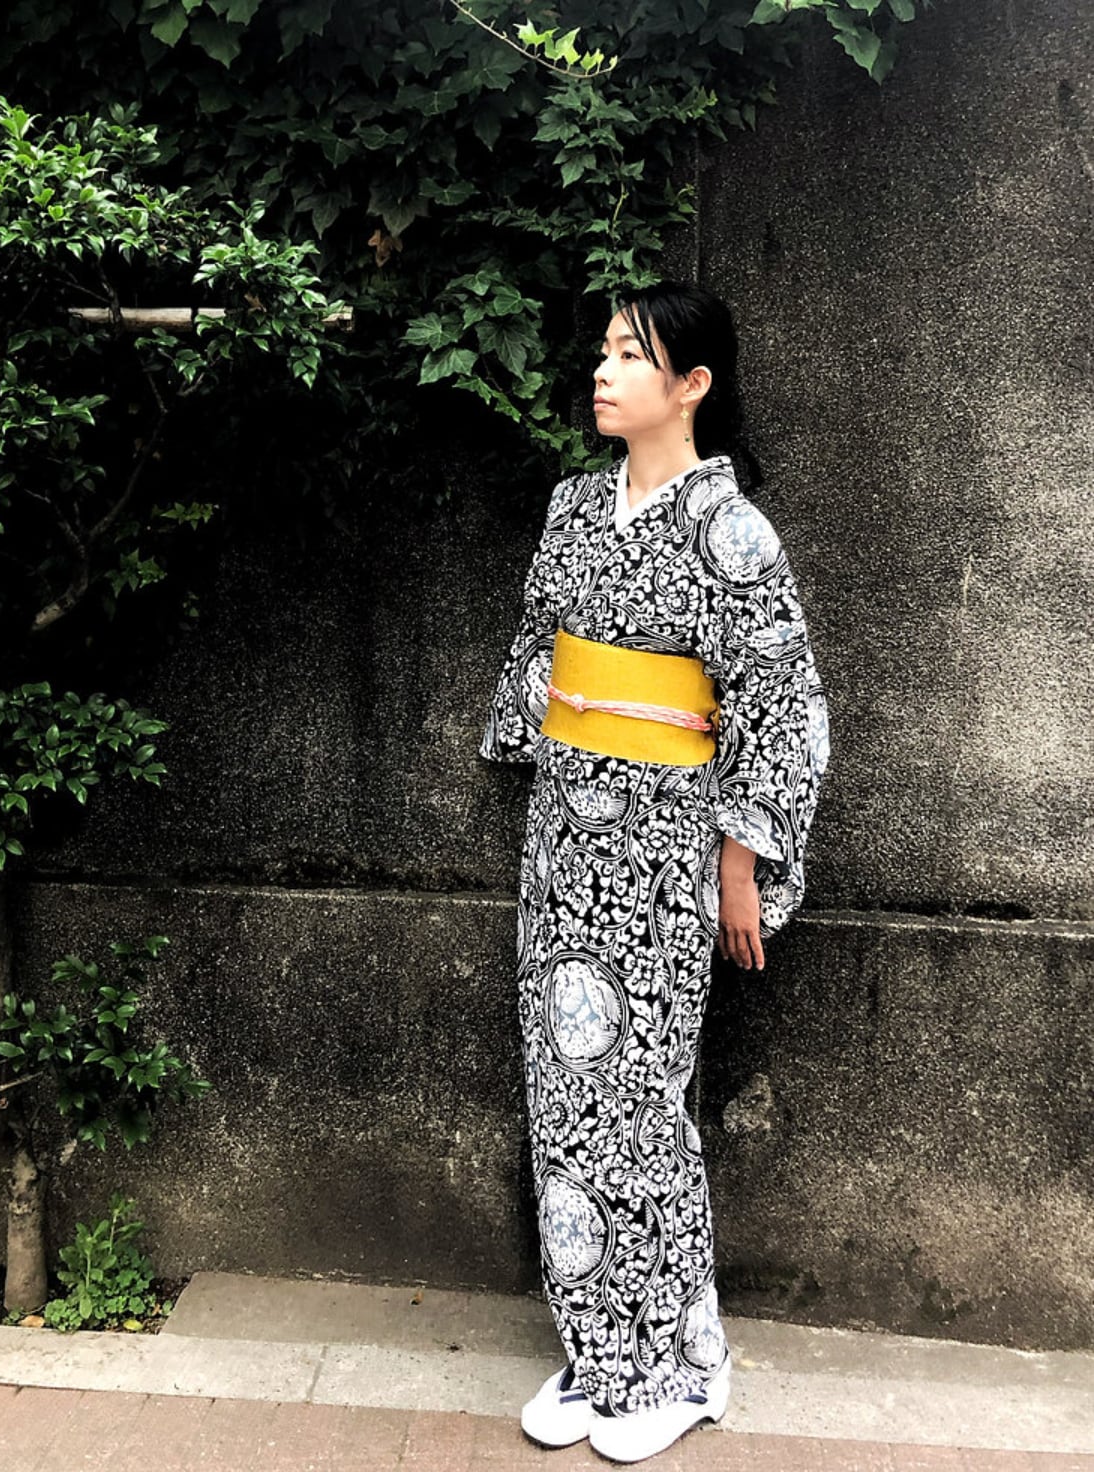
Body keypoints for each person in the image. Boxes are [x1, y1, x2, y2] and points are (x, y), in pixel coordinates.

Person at [479, 280, 830, 1464]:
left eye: (631, 354)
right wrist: (545, 741)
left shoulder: (733, 533)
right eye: (604, 350)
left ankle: (683, 1358)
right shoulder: (574, 506)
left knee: (642, 1103)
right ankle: (597, 1354)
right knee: (562, 1097)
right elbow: (542, 651)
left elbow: (777, 700)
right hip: (565, 842)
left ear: (692, 385)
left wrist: (742, 861)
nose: (603, 369)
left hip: (666, 848)